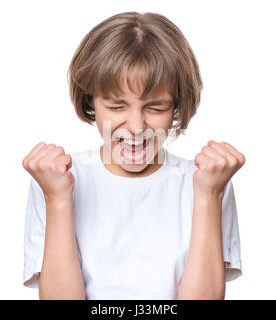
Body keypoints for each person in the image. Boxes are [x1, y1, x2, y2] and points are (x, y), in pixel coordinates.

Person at [22, 11, 245, 300]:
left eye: (156, 108)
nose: (137, 126)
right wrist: (57, 199)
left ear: (177, 105)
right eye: (116, 107)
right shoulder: (56, 179)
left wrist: (209, 196)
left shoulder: (208, 181)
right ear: (91, 101)